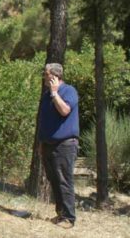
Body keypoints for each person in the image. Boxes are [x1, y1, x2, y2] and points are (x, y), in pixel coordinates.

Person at [38, 62, 79, 229]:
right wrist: (41, 143)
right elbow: (44, 122)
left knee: (64, 181)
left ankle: (69, 218)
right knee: (54, 180)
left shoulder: (69, 91)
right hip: (48, 144)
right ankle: (61, 214)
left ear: (54, 76)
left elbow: (65, 110)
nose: (44, 77)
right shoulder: (46, 95)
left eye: (46, 74)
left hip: (65, 145)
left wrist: (55, 93)